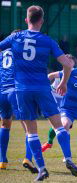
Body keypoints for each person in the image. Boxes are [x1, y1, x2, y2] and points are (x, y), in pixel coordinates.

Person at [0, 5, 77, 181]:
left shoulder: (15, 37)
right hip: (42, 88)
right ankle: (68, 158)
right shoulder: (47, 40)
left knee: (31, 132)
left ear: (26, 20)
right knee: (58, 126)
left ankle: (42, 168)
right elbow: (68, 64)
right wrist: (64, 83)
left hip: (22, 90)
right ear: (42, 20)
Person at [0, 30, 37, 173]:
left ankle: (2, 160)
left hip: (2, 92)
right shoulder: (22, 52)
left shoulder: (2, 53)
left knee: (5, 124)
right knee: (29, 127)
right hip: (16, 91)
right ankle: (28, 158)